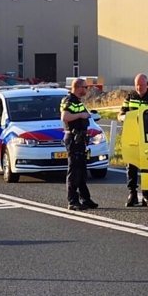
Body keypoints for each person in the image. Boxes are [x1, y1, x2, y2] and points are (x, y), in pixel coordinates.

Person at [120, 73, 148, 207]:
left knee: (147, 166)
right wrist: (123, 118)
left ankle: (147, 195)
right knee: (131, 166)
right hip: (133, 137)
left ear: (147, 84)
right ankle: (132, 194)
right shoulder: (130, 97)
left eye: (142, 85)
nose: (139, 88)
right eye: (137, 85)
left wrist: (146, 118)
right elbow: (121, 113)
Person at [60, 78, 97, 211]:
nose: (87, 90)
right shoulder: (68, 100)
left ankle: (85, 199)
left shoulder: (78, 101)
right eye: (85, 87)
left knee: (82, 170)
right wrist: (81, 115)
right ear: (79, 87)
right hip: (73, 138)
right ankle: (72, 201)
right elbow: (65, 116)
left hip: (80, 139)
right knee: (74, 171)